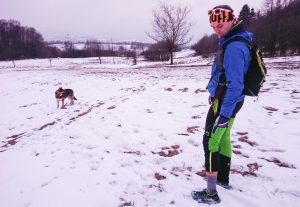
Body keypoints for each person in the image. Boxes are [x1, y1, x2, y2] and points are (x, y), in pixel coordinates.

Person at [192, 5, 253, 204]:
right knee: (224, 137)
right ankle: (223, 180)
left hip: (226, 103)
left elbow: (235, 85)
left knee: (210, 142)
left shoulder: (234, 47)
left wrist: (224, 115)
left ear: (232, 20)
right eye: (213, 26)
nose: (217, 30)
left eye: (220, 25)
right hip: (230, 101)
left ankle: (210, 193)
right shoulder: (233, 40)